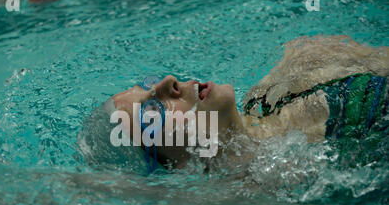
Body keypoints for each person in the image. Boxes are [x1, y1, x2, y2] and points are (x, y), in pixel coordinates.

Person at [106, 35, 389, 172]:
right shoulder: (279, 182)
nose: (168, 81)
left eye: (147, 83)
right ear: (177, 165)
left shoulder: (297, 64)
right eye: (152, 110)